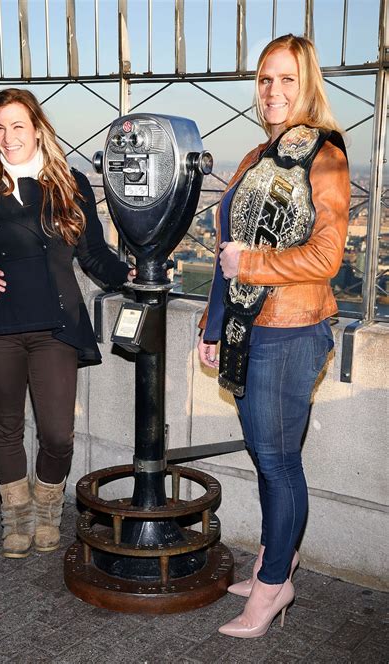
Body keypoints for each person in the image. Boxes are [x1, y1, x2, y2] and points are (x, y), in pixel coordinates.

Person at [0, 88, 136, 559]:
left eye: (17, 126)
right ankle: (15, 519)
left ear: (37, 128)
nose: (7, 137)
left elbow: (94, 254)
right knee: (7, 427)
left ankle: (48, 509)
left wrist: (132, 274)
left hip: (56, 324)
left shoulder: (71, 183)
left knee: (58, 434)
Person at [198, 35, 350, 638]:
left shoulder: (328, 155)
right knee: (267, 460)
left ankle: (272, 589)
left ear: (308, 84)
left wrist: (252, 267)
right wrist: (214, 326)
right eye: (265, 80)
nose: (273, 92)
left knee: (279, 463)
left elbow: (327, 254)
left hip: (292, 331)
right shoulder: (257, 156)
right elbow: (223, 252)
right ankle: (273, 560)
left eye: (288, 80)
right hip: (247, 329)